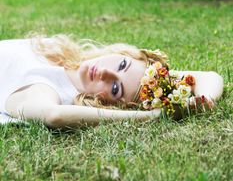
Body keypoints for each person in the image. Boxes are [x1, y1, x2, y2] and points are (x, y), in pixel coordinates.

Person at [0, 35, 224, 128]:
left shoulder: (48, 89)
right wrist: (203, 100)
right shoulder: (63, 58)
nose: (106, 73)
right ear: (124, 53)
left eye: (115, 88)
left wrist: (152, 116)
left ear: (104, 105)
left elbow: (53, 115)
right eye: (122, 65)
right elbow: (209, 76)